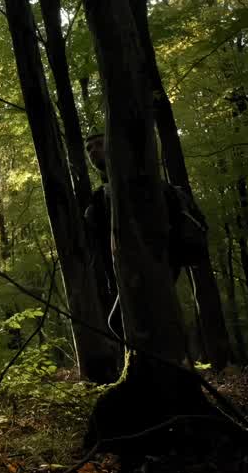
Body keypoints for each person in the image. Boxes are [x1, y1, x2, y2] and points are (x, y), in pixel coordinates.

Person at [82, 133, 209, 338]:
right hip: (130, 269)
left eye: (99, 144)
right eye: (89, 149)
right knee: (130, 324)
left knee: (128, 323)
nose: (93, 151)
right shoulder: (100, 197)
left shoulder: (141, 181)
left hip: (156, 263)